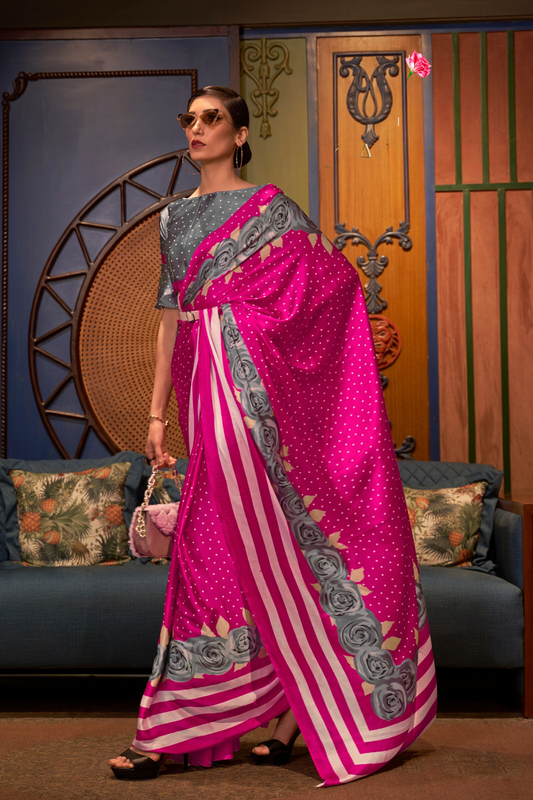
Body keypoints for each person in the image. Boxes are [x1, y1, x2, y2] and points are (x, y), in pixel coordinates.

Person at [109, 85, 437, 786]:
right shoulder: (173, 218)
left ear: (240, 135)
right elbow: (169, 320)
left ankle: (177, 729)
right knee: (221, 540)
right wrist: (157, 415)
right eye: (190, 119)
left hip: (254, 393)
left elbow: (331, 292)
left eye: (212, 119)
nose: (197, 128)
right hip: (201, 387)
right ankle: (255, 714)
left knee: (252, 535)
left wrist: (240, 327)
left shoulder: (271, 209)